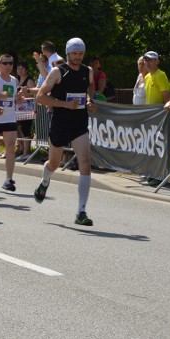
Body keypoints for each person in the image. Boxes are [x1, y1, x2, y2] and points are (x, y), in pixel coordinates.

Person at [33, 37, 97, 226]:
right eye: (75, 54)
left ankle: (81, 211)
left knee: (85, 164)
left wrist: (89, 100)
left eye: (81, 54)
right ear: (68, 53)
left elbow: (90, 86)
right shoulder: (57, 72)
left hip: (79, 124)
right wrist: (65, 105)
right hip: (60, 123)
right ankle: (45, 182)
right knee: (53, 164)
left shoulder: (88, 71)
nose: (78, 57)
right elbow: (40, 97)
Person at [0, 54, 24, 191]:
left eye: (11, 63)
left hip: (9, 118)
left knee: (10, 147)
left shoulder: (14, 81)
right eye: (5, 63)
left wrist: (18, 99)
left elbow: (14, 98)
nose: (8, 66)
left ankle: (8, 179)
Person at [15, 60, 36, 158]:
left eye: (22, 68)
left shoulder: (29, 80)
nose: (20, 70)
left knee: (25, 129)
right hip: (18, 109)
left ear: (26, 69)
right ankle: (21, 148)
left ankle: (26, 153)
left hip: (27, 109)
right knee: (18, 129)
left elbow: (34, 93)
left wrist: (24, 94)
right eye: (18, 68)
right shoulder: (16, 80)